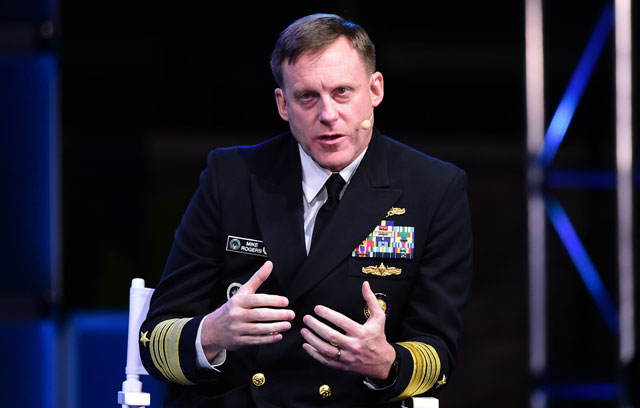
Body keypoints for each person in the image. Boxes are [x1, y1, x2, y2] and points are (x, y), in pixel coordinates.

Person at [140, 13, 472, 407]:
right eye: (307, 97)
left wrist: (387, 363)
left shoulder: (432, 188)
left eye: (342, 92)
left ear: (375, 89)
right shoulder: (232, 177)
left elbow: (438, 353)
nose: (328, 115)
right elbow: (155, 339)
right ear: (283, 104)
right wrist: (214, 332)